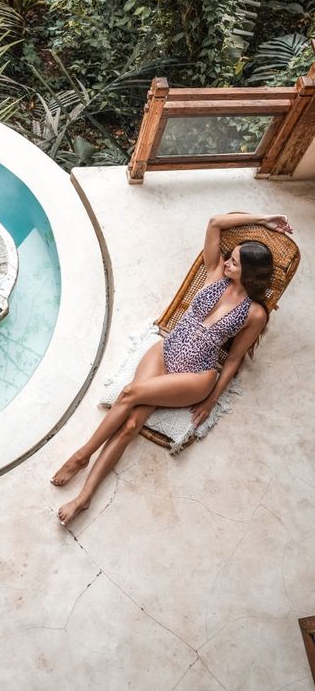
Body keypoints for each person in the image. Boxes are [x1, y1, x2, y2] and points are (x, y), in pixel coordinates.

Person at [51, 212, 293, 527]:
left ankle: (83, 473)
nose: (228, 262)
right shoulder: (215, 274)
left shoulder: (255, 313)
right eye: (229, 257)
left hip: (195, 375)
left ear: (249, 271)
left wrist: (211, 400)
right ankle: (83, 479)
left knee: (129, 407)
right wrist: (266, 220)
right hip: (165, 353)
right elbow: (216, 222)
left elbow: (232, 360)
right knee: (130, 417)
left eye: (235, 261)